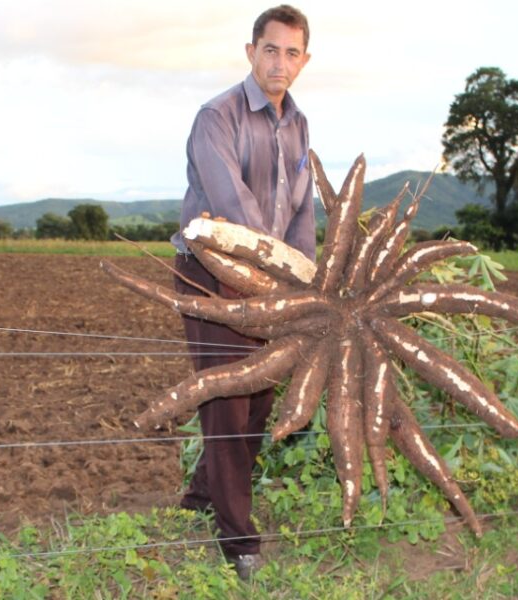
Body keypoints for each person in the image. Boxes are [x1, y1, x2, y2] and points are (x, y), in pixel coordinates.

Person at [168, 4, 314, 581]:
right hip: (212, 272)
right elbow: (235, 210)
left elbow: (300, 210)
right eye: (271, 50)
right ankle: (238, 539)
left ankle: (204, 496)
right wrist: (280, 271)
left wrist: (306, 278)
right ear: (251, 51)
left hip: (271, 279)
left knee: (260, 397)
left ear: (305, 61)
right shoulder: (217, 116)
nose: (280, 62)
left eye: (292, 53)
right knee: (230, 397)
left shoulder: (299, 125)